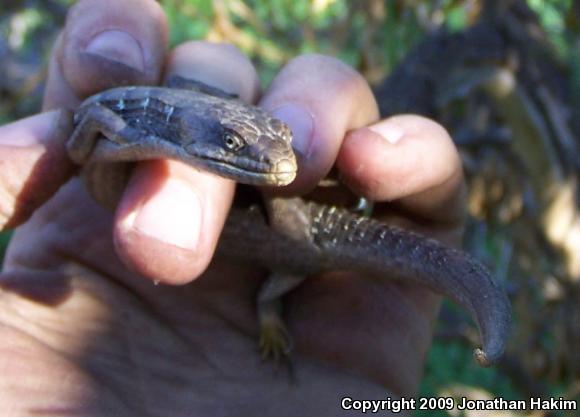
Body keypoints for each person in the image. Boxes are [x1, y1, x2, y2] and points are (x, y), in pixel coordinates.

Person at [0, 0, 466, 415]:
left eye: (283, 142)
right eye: (229, 142)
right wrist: (80, 149)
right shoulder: (140, 126)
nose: (282, 162)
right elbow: (94, 119)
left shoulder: (171, 135)